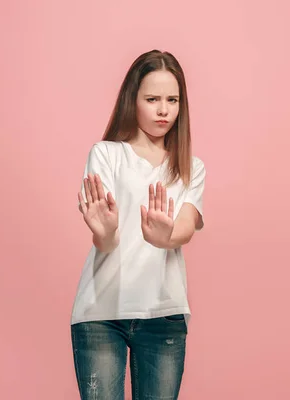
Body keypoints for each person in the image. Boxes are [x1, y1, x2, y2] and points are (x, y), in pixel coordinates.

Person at [71, 49, 206, 400]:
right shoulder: (106, 154)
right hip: (101, 313)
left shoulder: (191, 167)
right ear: (133, 100)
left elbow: (187, 226)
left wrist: (166, 237)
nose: (164, 110)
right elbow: (105, 242)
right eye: (152, 99)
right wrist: (104, 230)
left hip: (164, 315)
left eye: (172, 100)